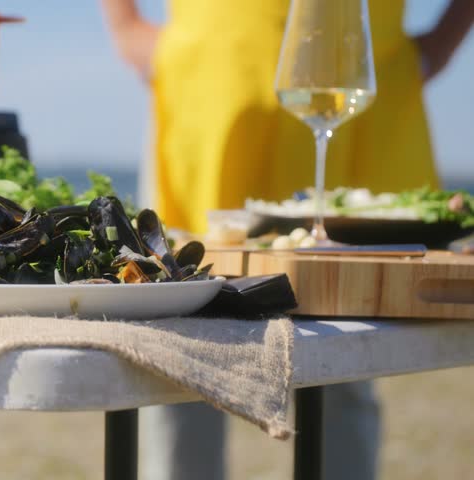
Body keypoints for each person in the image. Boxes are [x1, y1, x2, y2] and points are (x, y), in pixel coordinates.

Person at [100, 0, 474, 479]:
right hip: (210, 79)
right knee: (179, 341)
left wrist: (442, 45)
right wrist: (126, 28)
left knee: (347, 349)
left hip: (360, 73)